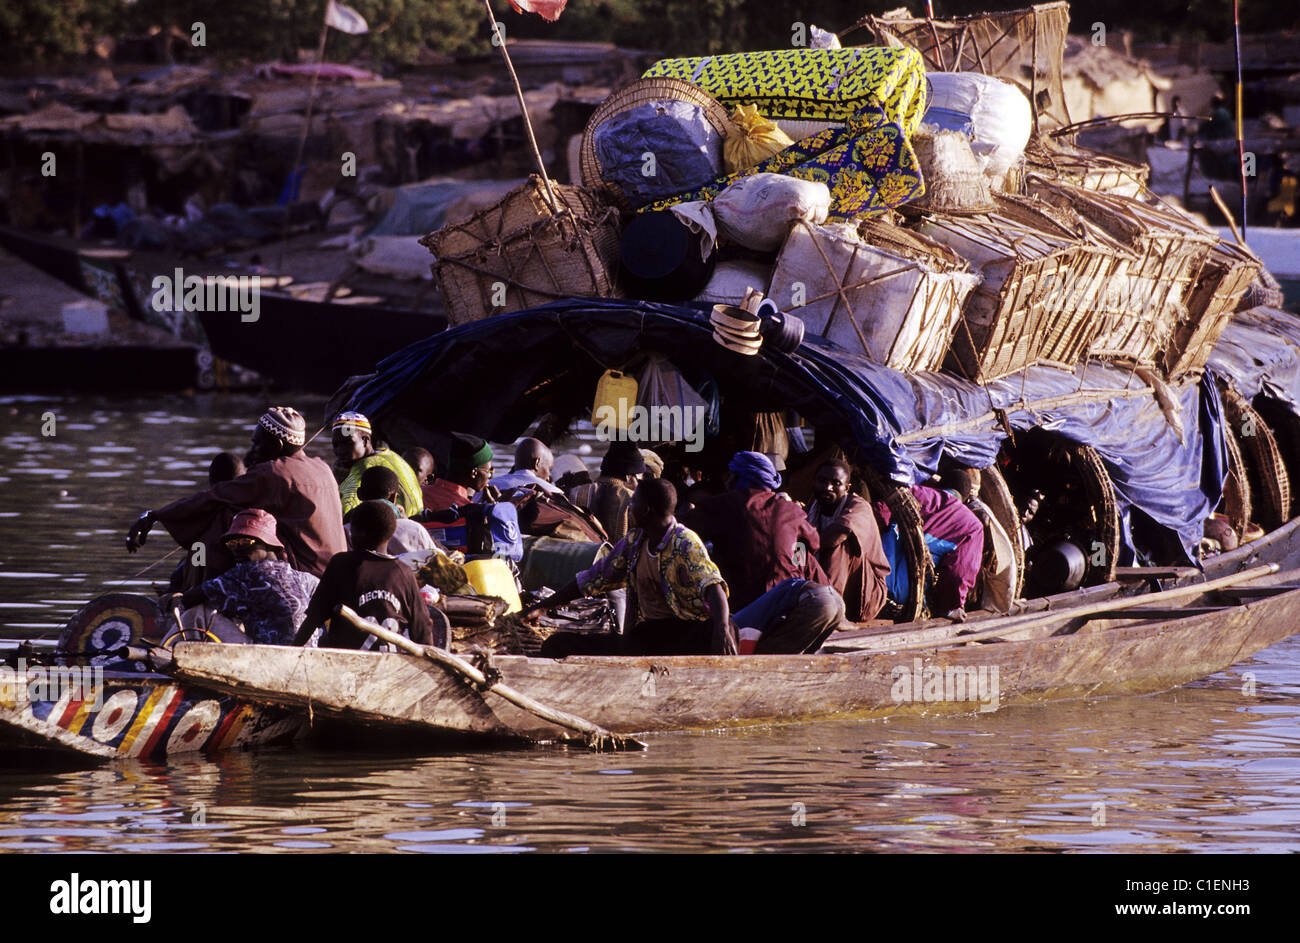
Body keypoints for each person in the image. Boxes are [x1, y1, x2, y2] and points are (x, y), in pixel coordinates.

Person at [127, 406, 347, 579]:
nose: (252, 451)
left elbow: (212, 498)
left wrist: (155, 515)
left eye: (257, 444)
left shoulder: (273, 472)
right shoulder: (322, 467)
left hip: (306, 573)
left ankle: (205, 590)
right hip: (335, 572)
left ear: (278, 445)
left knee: (229, 517)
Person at [524, 478, 735, 656]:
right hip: (650, 635)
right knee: (557, 644)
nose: (629, 507)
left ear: (645, 510)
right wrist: (542, 607)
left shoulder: (685, 543)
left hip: (686, 631)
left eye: (633, 503)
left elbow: (714, 587)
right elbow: (592, 578)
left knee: (712, 634)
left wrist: (723, 629)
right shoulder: (635, 541)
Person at [682, 451, 829, 610]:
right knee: (803, 552)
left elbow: (680, 531)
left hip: (738, 599)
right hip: (783, 595)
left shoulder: (721, 504)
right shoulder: (790, 509)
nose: (728, 480)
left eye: (731, 475)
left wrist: (686, 510)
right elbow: (814, 542)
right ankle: (830, 600)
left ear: (738, 477)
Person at [294, 500, 436, 649]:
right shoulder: (404, 572)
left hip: (345, 664)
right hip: (391, 664)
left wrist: (293, 649)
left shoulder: (342, 564)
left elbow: (314, 617)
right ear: (390, 533)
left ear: (359, 533)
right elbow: (422, 628)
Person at [168, 509, 319, 645]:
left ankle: (160, 657)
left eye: (246, 542)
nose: (237, 550)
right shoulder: (305, 579)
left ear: (269, 545)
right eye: (232, 544)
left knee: (198, 612)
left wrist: (174, 598)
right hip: (305, 655)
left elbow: (190, 599)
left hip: (267, 658)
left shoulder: (244, 573)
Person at [877, 483, 984, 618]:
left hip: (877, 567)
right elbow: (958, 573)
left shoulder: (919, 493)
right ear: (965, 499)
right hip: (902, 592)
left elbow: (882, 509)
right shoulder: (972, 526)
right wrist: (949, 607)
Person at [806, 459, 891, 622]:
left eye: (836, 483)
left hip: (866, 595)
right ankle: (804, 596)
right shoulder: (812, 508)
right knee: (798, 544)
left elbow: (834, 538)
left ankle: (831, 610)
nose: (827, 487)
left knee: (840, 545)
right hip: (822, 586)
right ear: (814, 482)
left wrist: (805, 541)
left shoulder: (859, 506)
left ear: (847, 488)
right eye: (822, 481)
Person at [332, 411, 424, 518]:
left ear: (365, 441)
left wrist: (338, 480)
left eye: (348, 443)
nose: (340, 451)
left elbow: (343, 511)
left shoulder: (363, 466)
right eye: (336, 445)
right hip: (418, 520)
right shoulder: (391, 455)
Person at [418, 432, 493, 553]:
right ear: (474, 473)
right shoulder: (465, 509)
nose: (491, 475)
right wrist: (492, 511)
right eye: (489, 470)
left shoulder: (421, 491)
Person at [346, 466, 436, 556]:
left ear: (359, 494)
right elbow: (438, 558)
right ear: (394, 497)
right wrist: (406, 521)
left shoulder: (347, 530)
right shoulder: (414, 529)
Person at [567, 440, 644, 542]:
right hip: (616, 556)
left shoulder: (574, 493)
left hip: (581, 555)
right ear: (629, 477)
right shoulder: (633, 499)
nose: (638, 484)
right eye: (639, 480)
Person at [489, 437, 562, 495]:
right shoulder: (554, 492)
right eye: (549, 469)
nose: (548, 477)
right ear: (537, 463)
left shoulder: (488, 486)